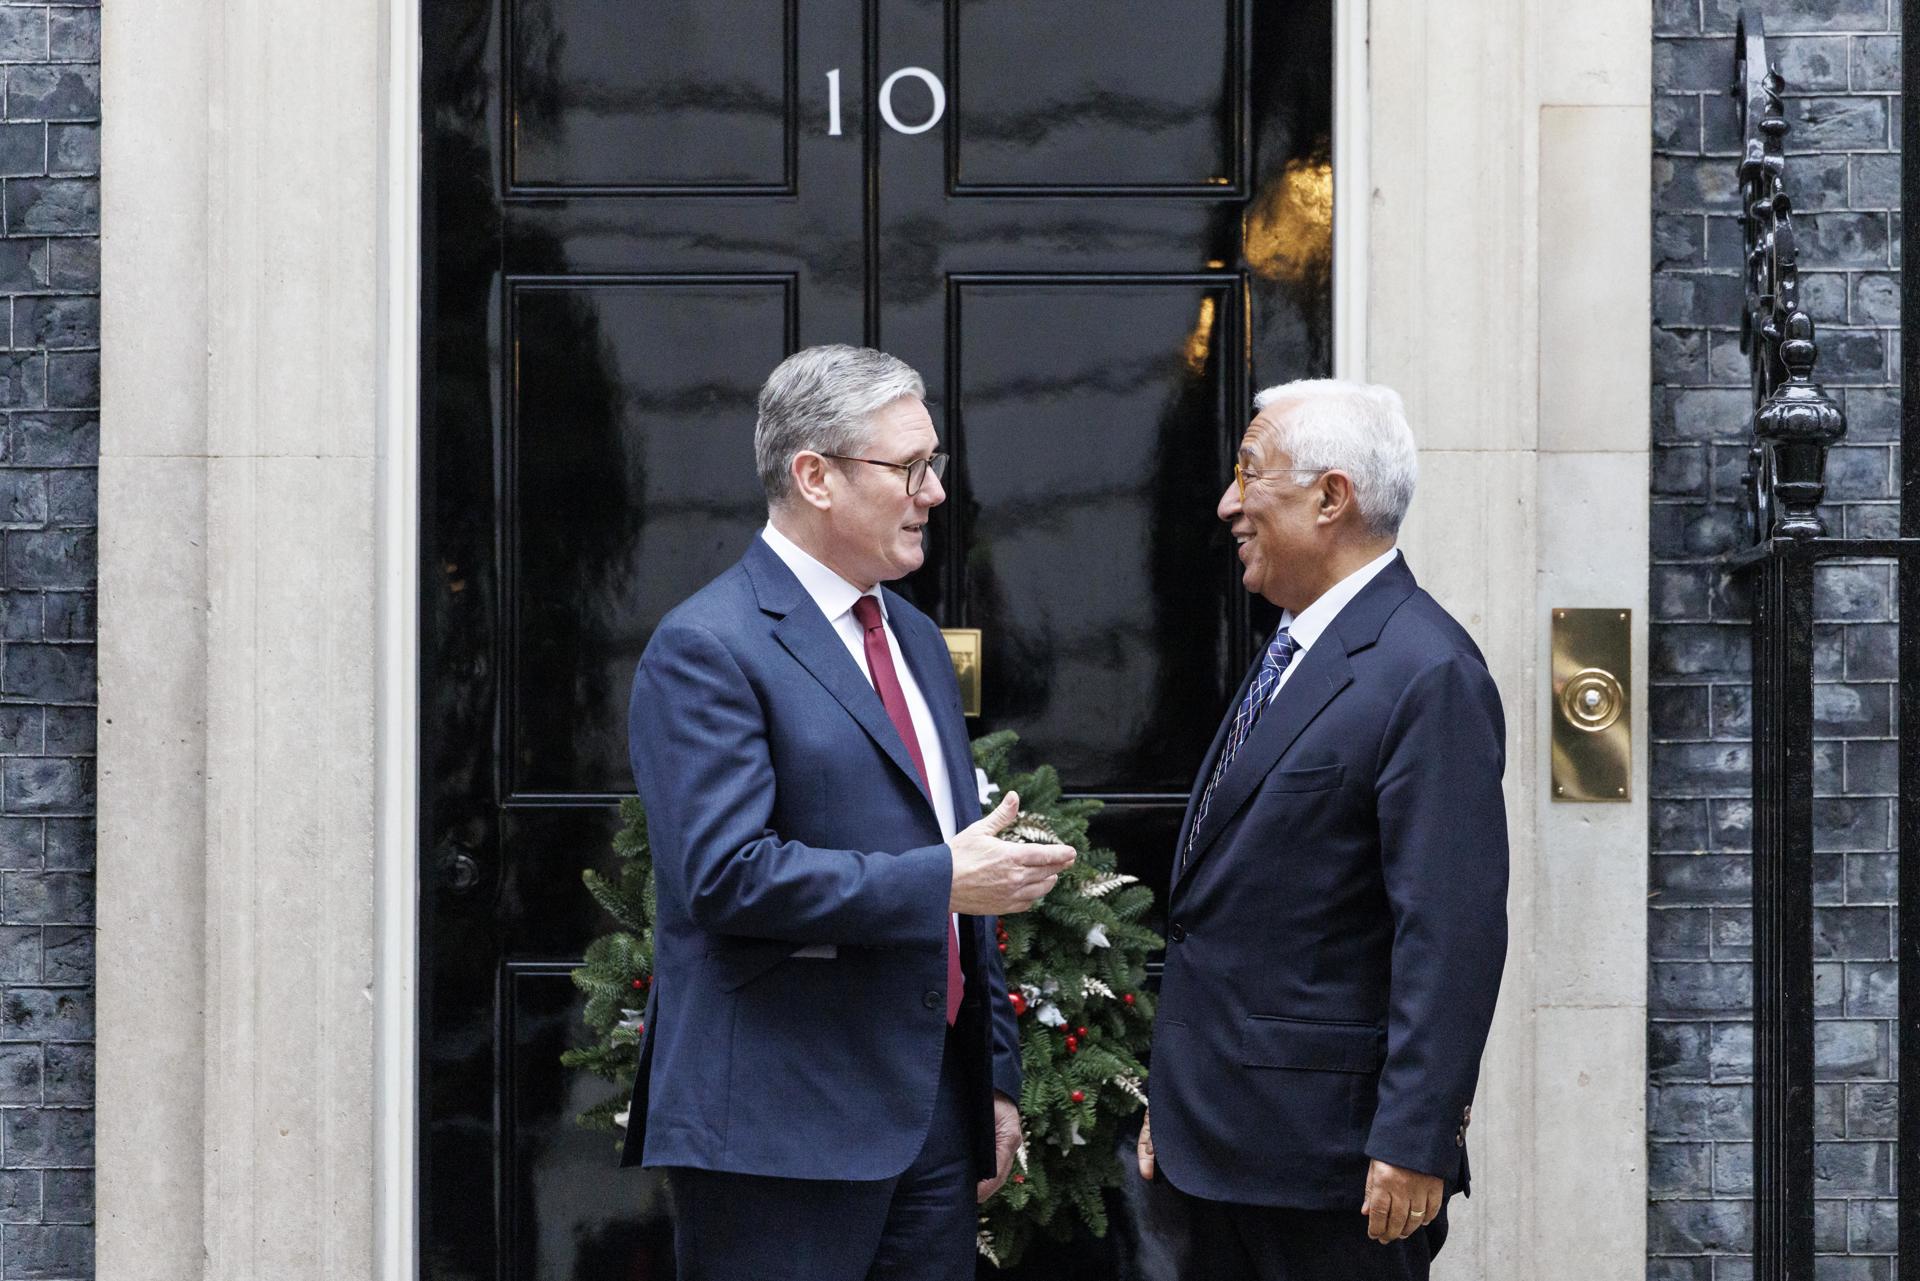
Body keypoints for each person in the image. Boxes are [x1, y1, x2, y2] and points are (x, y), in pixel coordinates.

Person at [619, 344, 1076, 1281]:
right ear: (815, 476)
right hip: (777, 1136)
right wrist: (945, 877)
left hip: (930, 1126)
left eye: (934, 463)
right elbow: (724, 875)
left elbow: (958, 861)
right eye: (908, 467)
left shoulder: (909, 634)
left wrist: (990, 1078)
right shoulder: (708, 645)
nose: (935, 492)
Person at [1136, 379, 1509, 1280]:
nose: (1228, 502)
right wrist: (1176, 1094)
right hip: (1222, 1149)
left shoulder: (1426, 670)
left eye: (1250, 474)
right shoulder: (1296, 648)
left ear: (1330, 497)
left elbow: (1450, 926)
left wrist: (1416, 1135)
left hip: (1331, 1169)